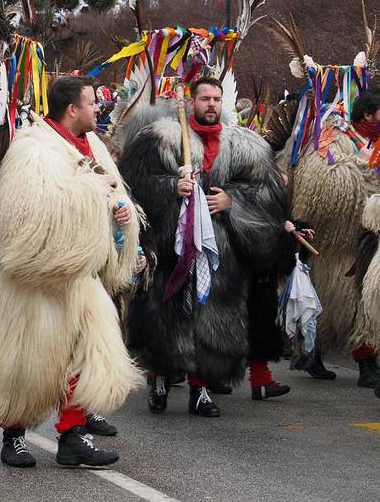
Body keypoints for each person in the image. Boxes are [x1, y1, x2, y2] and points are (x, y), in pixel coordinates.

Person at [0, 76, 141, 468]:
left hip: (78, 278)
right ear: (72, 109)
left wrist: (121, 212)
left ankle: (72, 435)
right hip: (30, 280)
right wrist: (90, 193)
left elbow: (114, 193)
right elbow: (24, 217)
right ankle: (13, 437)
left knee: (82, 355)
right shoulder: (32, 149)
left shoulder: (93, 144)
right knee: (24, 364)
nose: (97, 109)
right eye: (91, 103)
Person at [119, 77, 287, 417]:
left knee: (209, 318)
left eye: (216, 98)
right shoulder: (160, 139)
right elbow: (133, 183)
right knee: (167, 316)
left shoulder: (244, 146)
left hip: (221, 251)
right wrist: (171, 187)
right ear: (191, 101)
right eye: (205, 98)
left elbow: (268, 192)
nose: (211, 104)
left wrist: (232, 200)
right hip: (173, 248)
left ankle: (201, 389)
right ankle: (160, 379)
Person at [284, 88, 380, 388]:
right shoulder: (333, 137)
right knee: (348, 304)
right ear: (368, 114)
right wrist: (364, 172)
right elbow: (321, 182)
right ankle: (361, 364)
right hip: (339, 245)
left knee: (363, 306)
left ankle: (318, 355)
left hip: (367, 242)